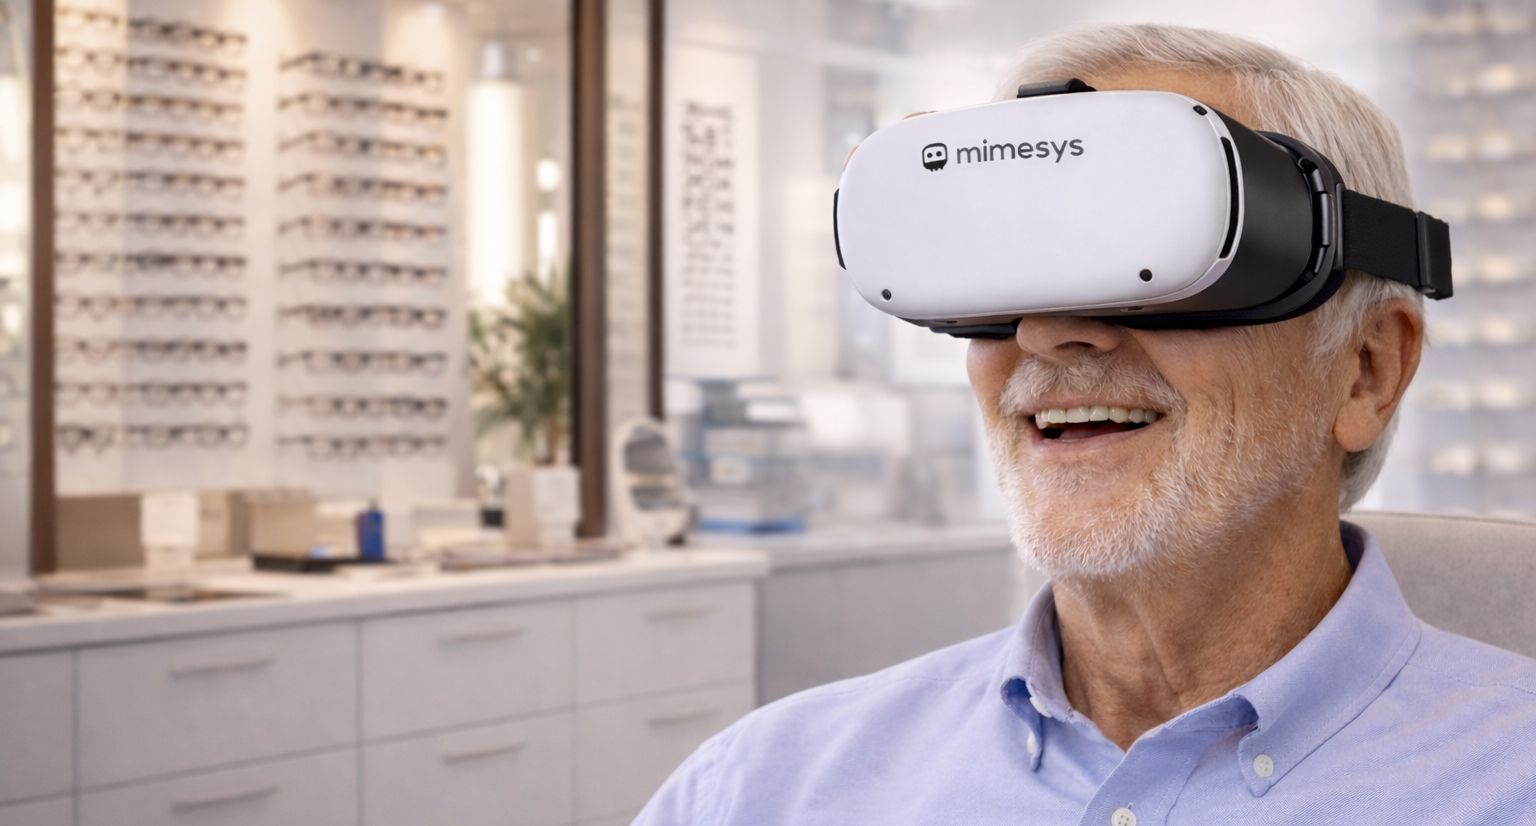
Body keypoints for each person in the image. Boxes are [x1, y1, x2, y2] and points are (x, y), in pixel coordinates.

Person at [635, 23, 1536, 825]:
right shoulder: (761, 788)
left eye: (1166, 258)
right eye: (1006, 272)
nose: (1047, 334)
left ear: (1366, 372)